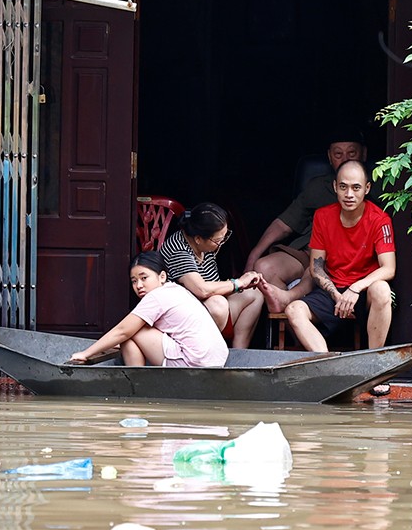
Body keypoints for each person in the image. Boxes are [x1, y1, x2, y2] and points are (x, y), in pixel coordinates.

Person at [263, 160, 397, 388]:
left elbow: (388, 268)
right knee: (294, 310)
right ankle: (330, 369)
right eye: (343, 187)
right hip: (332, 288)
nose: (349, 194)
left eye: (356, 187)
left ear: (367, 189)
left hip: (363, 291)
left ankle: (375, 370)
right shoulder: (323, 216)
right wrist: (336, 293)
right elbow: (316, 266)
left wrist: (356, 288)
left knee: (382, 289)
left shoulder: (379, 219)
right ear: (334, 187)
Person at [245, 137, 366, 295]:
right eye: (338, 154)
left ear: (363, 154)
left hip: (349, 258)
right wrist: (253, 255)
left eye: (351, 153)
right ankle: (289, 309)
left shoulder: (377, 187)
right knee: (264, 267)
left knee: (317, 270)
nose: (344, 160)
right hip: (309, 252)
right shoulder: (317, 187)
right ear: (329, 156)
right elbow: (284, 224)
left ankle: (296, 303)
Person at [69, 253, 227, 367]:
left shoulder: (156, 296)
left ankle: (138, 386)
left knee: (130, 333)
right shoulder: (176, 290)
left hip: (194, 362)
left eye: (144, 278)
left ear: (162, 276)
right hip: (217, 360)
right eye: (134, 281)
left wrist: (86, 353)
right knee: (132, 330)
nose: (139, 286)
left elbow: (123, 331)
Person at [158, 202, 265, 348]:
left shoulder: (204, 246)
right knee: (217, 305)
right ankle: (205, 354)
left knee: (254, 294)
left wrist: (244, 284)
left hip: (203, 311)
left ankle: (239, 353)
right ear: (198, 239)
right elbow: (202, 290)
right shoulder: (179, 251)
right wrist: (238, 283)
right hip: (181, 319)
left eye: (224, 236)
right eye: (217, 240)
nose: (221, 243)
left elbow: (212, 285)